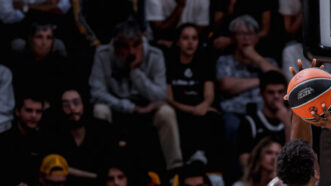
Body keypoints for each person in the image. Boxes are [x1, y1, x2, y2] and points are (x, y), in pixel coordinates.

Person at [89, 18, 183, 171]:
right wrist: (131, 107)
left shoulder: (155, 55)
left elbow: (161, 96)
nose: (131, 52)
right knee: (100, 110)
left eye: (136, 45)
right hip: (117, 107)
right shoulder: (103, 54)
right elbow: (97, 93)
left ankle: (175, 169)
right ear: (115, 44)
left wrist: (135, 73)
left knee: (167, 113)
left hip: (147, 108)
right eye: (125, 46)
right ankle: (103, 168)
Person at [216, 15, 280, 158]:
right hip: (234, 112)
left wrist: (255, 57)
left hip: (263, 112)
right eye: (241, 33)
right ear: (233, 37)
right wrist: (262, 81)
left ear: (257, 38)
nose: (246, 38)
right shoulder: (225, 61)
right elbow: (226, 85)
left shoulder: (268, 62)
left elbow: (280, 80)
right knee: (232, 125)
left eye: (250, 33)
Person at [166, 23, 221, 166]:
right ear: (177, 42)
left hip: (199, 108)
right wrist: (193, 110)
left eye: (194, 38)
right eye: (185, 38)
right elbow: (168, 98)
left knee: (213, 117)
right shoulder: (168, 63)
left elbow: (209, 94)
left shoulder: (204, 62)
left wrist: (204, 105)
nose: (190, 43)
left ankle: (211, 167)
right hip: (177, 108)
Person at [51, 87, 117, 186]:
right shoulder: (55, 134)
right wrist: (94, 176)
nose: (72, 108)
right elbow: (56, 169)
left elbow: (110, 169)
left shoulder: (102, 129)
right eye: (66, 105)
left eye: (76, 103)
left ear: (84, 105)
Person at [235, 70, 289, 169]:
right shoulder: (250, 122)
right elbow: (244, 161)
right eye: (270, 92)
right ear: (261, 94)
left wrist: (287, 124)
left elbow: (296, 156)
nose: (276, 96)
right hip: (259, 175)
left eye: (280, 92)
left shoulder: (292, 122)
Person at [9, 22, 68, 106]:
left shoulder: (60, 65)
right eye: (39, 37)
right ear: (30, 39)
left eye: (49, 38)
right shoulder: (17, 63)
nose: (44, 42)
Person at [0, 93, 45, 186]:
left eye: (38, 111)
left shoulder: (43, 140)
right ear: (17, 111)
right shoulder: (4, 139)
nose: (34, 115)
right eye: (29, 110)